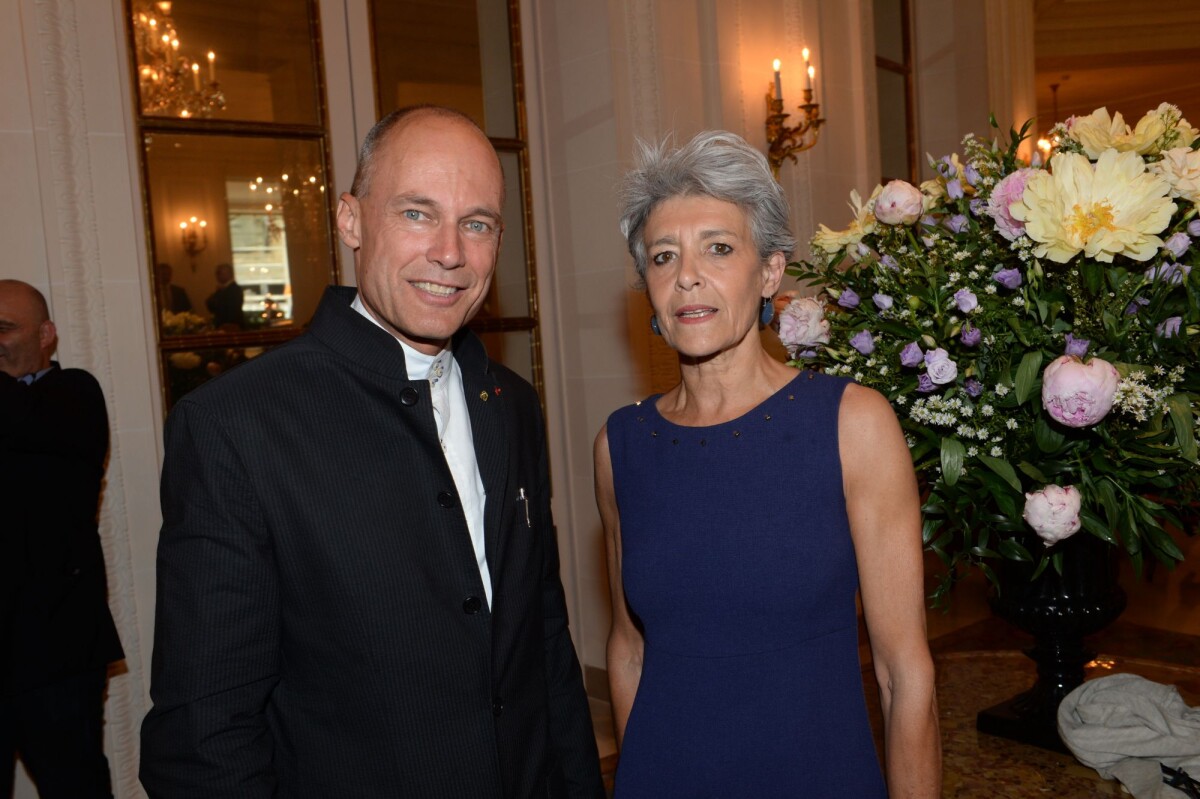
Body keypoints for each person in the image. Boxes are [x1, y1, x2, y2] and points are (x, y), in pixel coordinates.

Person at [140, 106, 604, 798]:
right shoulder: (235, 425)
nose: (450, 251)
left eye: (477, 223)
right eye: (417, 213)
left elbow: (541, 640)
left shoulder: (510, 403)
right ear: (351, 221)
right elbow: (205, 732)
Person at [595, 132, 941, 797]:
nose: (687, 274)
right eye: (664, 257)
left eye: (719, 249)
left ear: (771, 273)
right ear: (649, 288)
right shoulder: (620, 447)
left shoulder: (851, 424)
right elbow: (629, 648)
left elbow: (904, 673)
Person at [0, 279, 123, 798]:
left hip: (54, 647)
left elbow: (23, 426)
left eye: (4, 328)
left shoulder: (73, 393)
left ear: (47, 334)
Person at [204, 262, 243, 329]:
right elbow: (210, 304)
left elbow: (233, 309)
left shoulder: (235, 289)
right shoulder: (220, 290)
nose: (217, 276)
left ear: (229, 274)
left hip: (230, 326)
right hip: (221, 325)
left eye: (219, 273)